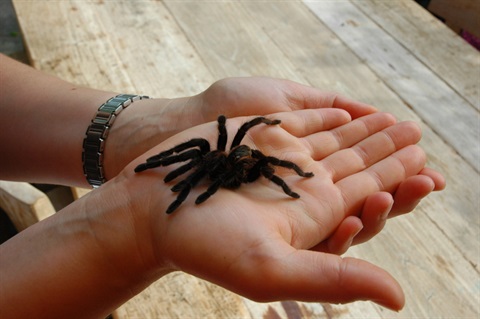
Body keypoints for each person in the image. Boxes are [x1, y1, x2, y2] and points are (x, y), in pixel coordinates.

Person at [0, 54, 445, 318]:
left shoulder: (248, 160)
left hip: (247, 159)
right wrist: (135, 227)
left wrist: (152, 127)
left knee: (219, 162)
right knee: (193, 158)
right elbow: (191, 156)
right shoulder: (208, 153)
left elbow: (258, 159)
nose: (206, 171)